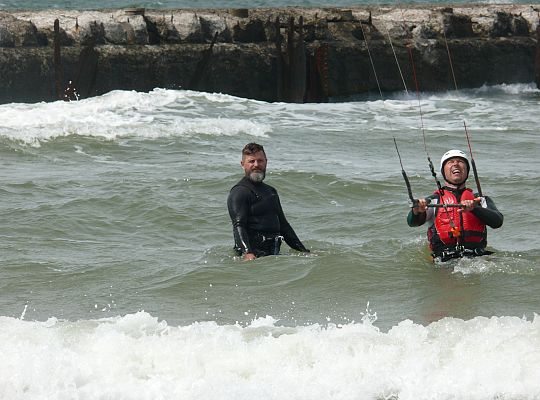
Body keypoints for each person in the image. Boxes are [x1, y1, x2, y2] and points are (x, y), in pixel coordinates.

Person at [407, 149, 503, 262]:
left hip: (477, 259)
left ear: (467, 170)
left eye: (460, 161)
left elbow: (497, 222)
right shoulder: (433, 201)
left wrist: (474, 208)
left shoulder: (479, 200)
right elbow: (412, 223)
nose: (456, 164)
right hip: (443, 261)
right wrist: (417, 211)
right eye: (450, 162)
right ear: (443, 171)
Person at [227, 142, 310, 260]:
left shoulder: (271, 192)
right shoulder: (239, 192)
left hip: (273, 254)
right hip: (253, 257)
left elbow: (284, 227)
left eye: (260, 161)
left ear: (266, 162)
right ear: (242, 164)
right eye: (251, 161)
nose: (256, 165)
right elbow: (239, 226)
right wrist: (247, 253)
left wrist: (304, 251)